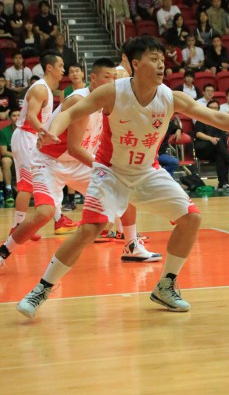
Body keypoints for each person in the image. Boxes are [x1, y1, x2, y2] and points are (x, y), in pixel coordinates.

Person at [14, 35, 229, 318]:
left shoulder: (169, 97)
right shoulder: (113, 93)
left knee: (191, 218)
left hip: (147, 172)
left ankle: (166, 285)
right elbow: (72, 112)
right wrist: (51, 130)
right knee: (90, 229)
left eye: (162, 60)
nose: (161, 65)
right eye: (154, 59)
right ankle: (42, 288)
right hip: (111, 172)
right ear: (136, 64)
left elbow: (218, 118)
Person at [0, 58, 160, 266]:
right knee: (44, 213)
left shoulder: (110, 102)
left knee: (123, 189)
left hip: (77, 163)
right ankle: (3, 252)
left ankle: (131, 245)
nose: (112, 82)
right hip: (49, 162)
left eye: (115, 78)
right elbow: (74, 148)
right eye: (107, 77)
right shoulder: (79, 100)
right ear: (93, 78)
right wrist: (105, 167)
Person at [9, 51, 65, 237]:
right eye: (60, 66)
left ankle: (59, 219)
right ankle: (18, 227)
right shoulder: (40, 89)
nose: (63, 70)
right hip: (26, 136)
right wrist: (46, 132)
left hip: (33, 137)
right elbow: (31, 117)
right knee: (27, 185)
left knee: (48, 177)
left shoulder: (46, 89)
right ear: (49, 68)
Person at [194, 100, 229, 190]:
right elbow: (198, 134)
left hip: (216, 150)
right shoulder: (201, 119)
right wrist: (210, 138)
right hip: (203, 149)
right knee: (218, 142)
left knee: (220, 156)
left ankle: (223, 183)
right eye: (211, 108)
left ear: (218, 110)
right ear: (207, 108)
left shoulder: (220, 122)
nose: (213, 109)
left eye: (215, 108)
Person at [0, 107, 19, 206]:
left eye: (19, 115)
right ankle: (8, 190)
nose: (17, 118)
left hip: (26, 157)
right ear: (10, 118)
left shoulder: (28, 130)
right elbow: (4, 152)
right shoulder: (4, 131)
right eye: (14, 116)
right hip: (12, 156)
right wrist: (17, 157)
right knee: (5, 160)